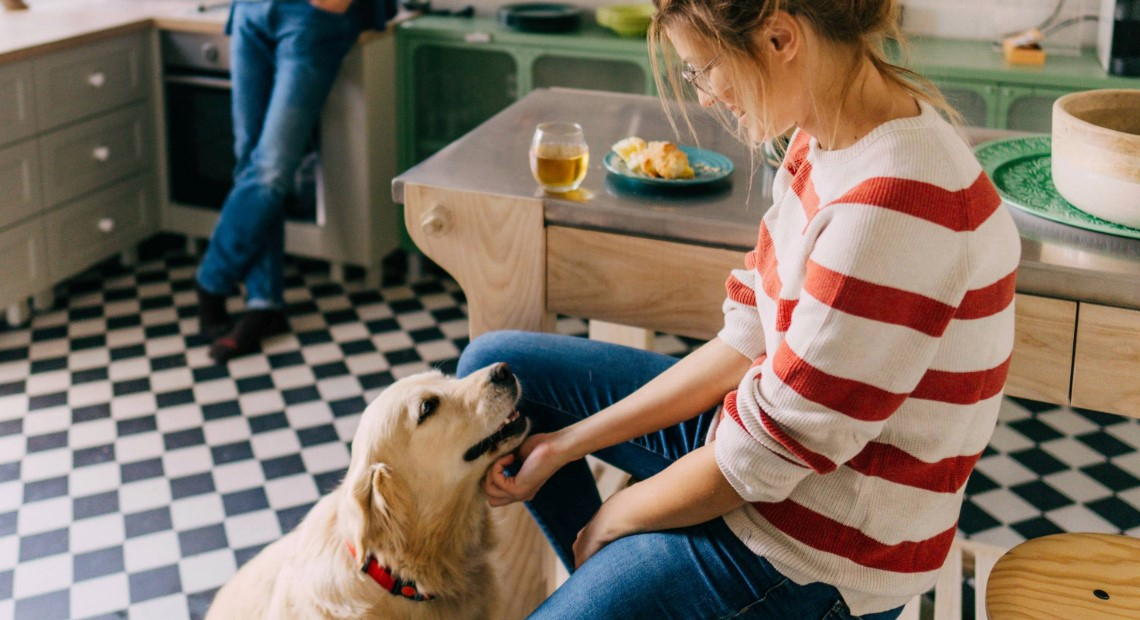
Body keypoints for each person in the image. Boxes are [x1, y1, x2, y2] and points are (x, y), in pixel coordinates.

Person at [456, 0, 1020, 618]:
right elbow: (749, 336)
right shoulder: (826, 137)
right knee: (501, 372)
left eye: (704, 68)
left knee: (595, 559)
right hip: (772, 462)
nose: (704, 97)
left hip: (814, 550)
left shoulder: (892, 207)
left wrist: (612, 519)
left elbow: (757, 460)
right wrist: (565, 444)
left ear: (780, 38)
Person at [195, 0, 396, 363]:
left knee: (270, 168)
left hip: (311, 15)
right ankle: (265, 304)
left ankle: (212, 281)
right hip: (250, 13)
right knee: (251, 163)